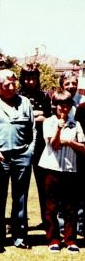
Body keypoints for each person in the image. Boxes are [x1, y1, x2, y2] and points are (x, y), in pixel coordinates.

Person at [0, 69, 36, 252]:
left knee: (20, 198)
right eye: (7, 85)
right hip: (0, 158)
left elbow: (33, 130)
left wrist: (29, 153)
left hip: (21, 157)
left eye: (13, 83)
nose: (11, 87)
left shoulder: (25, 103)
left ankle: (20, 237)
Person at [38, 89, 85, 253]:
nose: (64, 109)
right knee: (51, 206)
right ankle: (53, 239)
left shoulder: (76, 124)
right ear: (54, 106)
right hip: (51, 168)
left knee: (70, 207)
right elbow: (54, 144)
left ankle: (71, 240)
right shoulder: (48, 122)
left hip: (70, 170)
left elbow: (83, 148)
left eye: (67, 105)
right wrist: (59, 128)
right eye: (60, 105)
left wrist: (70, 142)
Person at [19, 63, 51, 228]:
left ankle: (47, 221)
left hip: (41, 146)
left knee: (43, 185)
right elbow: (20, 118)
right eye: (27, 78)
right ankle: (20, 221)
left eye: (33, 78)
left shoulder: (44, 96)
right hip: (22, 146)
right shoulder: (17, 96)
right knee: (21, 186)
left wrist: (33, 115)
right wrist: (36, 114)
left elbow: (48, 118)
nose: (30, 81)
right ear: (22, 79)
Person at [58, 71, 85, 235]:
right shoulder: (58, 101)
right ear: (62, 85)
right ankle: (62, 226)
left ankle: (81, 226)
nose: (71, 86)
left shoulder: (83, 104)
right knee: (63, 192)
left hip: (80, 151)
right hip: (62, 152)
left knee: (81, 192)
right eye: (67, 83)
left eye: (73, 83)